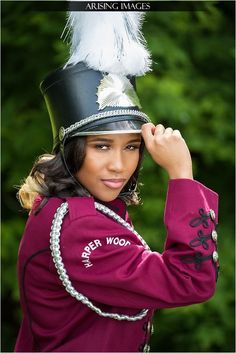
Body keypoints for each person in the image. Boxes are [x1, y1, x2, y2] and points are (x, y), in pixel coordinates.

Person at [14, 12, 219, 352]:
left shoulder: (83, 207)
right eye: (102, 146)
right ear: (72, 149)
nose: (119, 165)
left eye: (132, 147)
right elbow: (190, 280)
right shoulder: (78, 225)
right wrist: (182, 176)